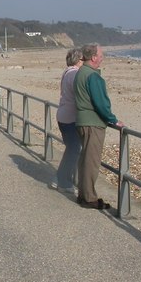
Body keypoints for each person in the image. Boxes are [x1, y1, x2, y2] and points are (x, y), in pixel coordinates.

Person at [74, 43, 124, 210]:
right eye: (101, 55)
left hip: (82, 120)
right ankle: (89, 198)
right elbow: (100, 103)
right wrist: (112, 119)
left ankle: (84, 194)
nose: (102, 58)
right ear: (94, 57)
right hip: (92, 123)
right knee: (91, 161)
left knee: (85, 159)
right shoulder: (92, 76)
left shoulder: (81, 72)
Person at [51, 47, 83, 194]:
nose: (84, 62)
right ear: (78, 60)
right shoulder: (75, 74)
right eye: (83, 59)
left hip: (63, 115)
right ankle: (63, 182)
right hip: (69, 117)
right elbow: (79, 96)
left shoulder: (67, 72)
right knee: (74, 149)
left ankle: (60, 179)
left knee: (71, 149)